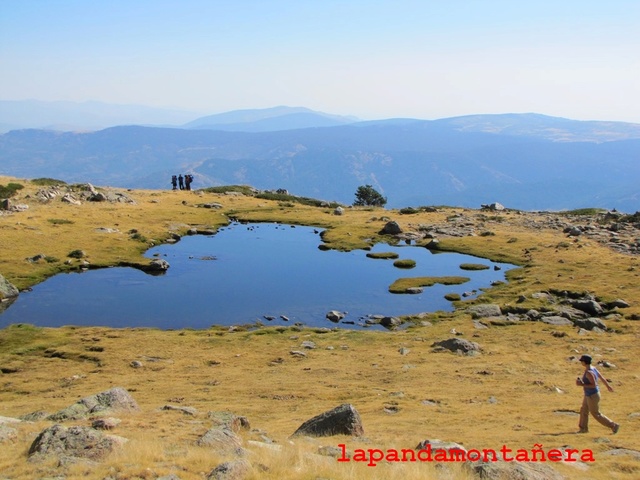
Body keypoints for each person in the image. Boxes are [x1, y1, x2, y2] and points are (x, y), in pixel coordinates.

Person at [576, 354, 619, 434]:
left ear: (585, 362)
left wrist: (581, 384)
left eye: (582, 361)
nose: (581, 362)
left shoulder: (589, 372)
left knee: (596, 413)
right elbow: (601, 377)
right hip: (589, 394)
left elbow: (593, 385)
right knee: (584, 410)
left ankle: (613, 425)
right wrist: (608, 386)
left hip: (592, 395)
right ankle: (583, 429)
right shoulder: (593, 368)